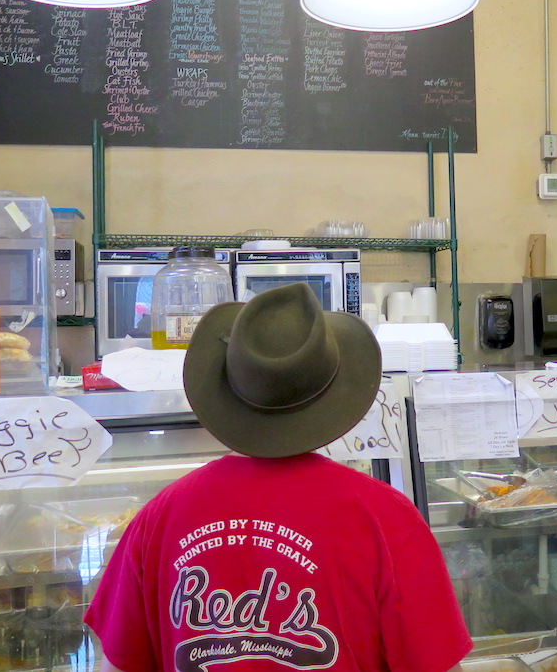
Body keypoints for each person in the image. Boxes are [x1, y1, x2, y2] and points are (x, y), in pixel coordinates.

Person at [84, 282, 471, 672]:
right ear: (333, 392)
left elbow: (117, 666)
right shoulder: (386, 517)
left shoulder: (159, 518)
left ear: (227, 388)